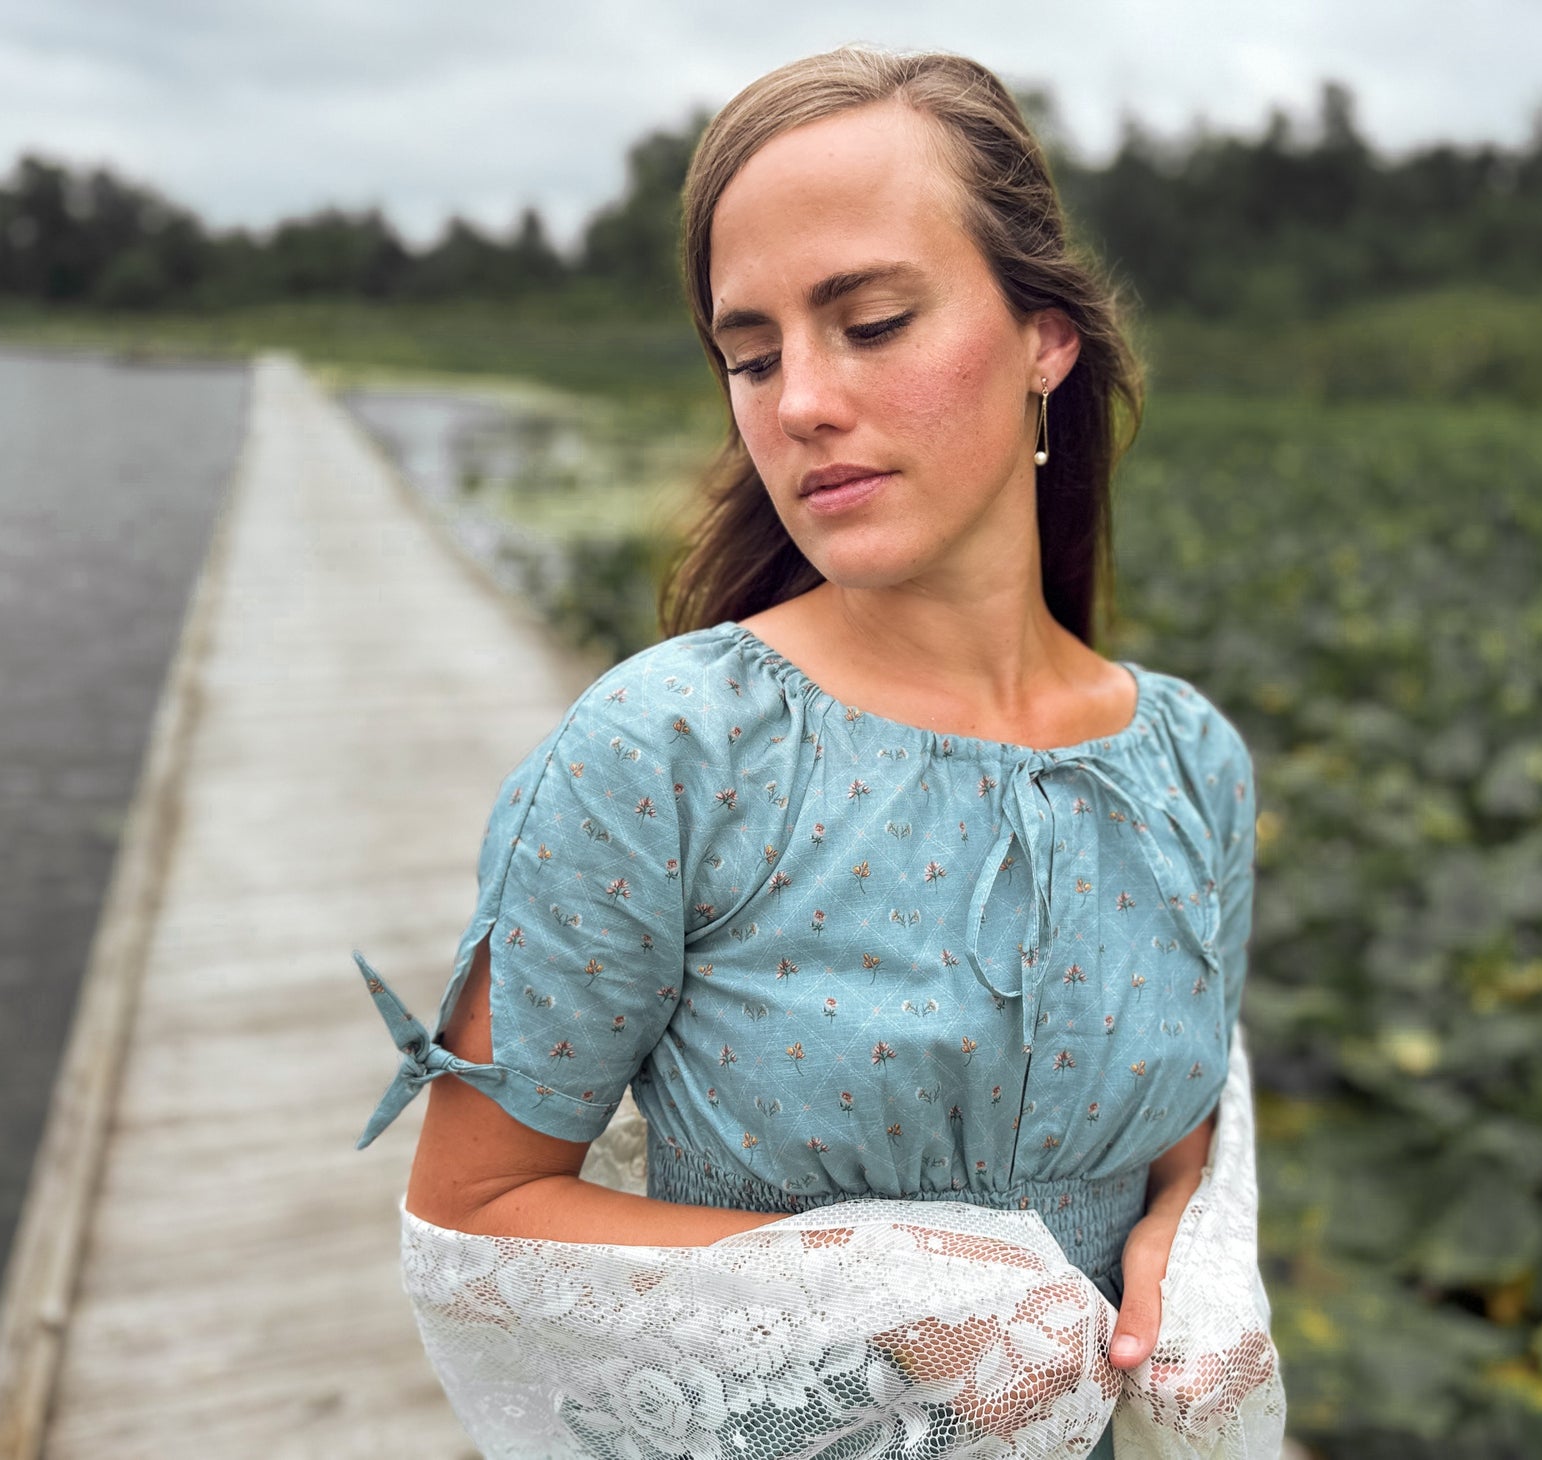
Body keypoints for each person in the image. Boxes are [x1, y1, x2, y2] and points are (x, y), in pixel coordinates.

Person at [354, 44, 1275, 1458]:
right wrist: (891, 1303)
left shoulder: (1188, 763)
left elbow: (1185, 1125)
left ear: (1045, 338)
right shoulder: (663, 753)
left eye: (872, 321)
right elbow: (474, 1223)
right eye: (751, 352)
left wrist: (1176, 1236)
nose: (796, 403)